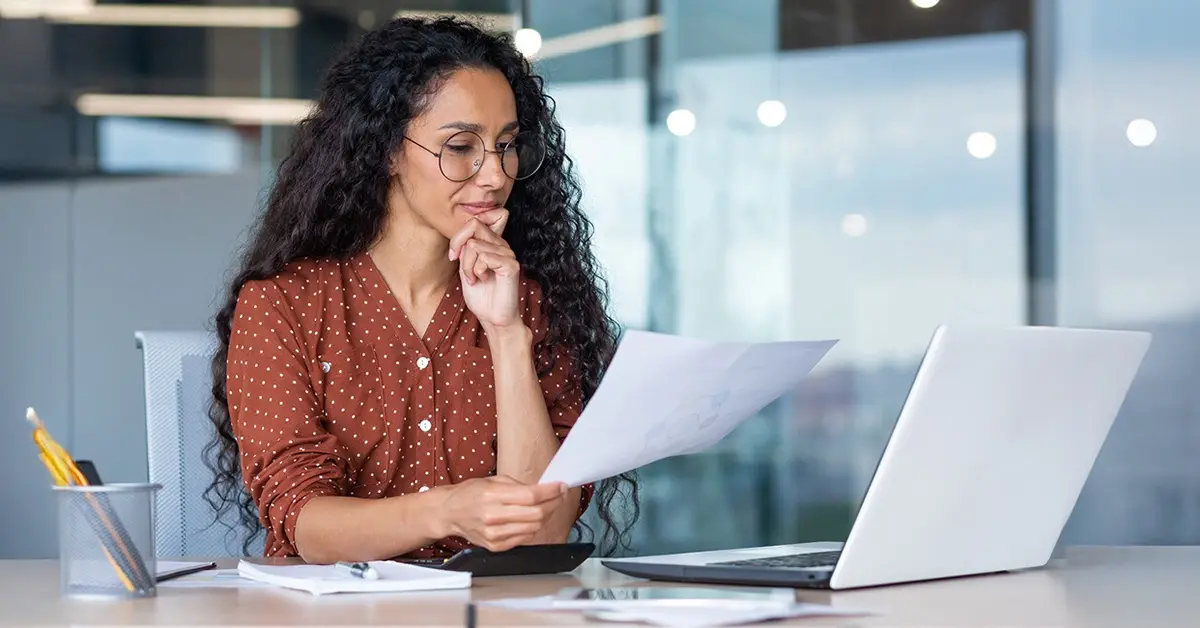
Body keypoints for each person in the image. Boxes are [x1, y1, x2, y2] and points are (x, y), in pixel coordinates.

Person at [204, 16, 638, 564]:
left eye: (506, 146)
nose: (494, 175)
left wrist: (506, 335)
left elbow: (541, 533)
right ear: (386, 148)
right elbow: (308, 527)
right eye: (461, 146)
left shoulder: (525, 301)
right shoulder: (284, 305)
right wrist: (446, 510)